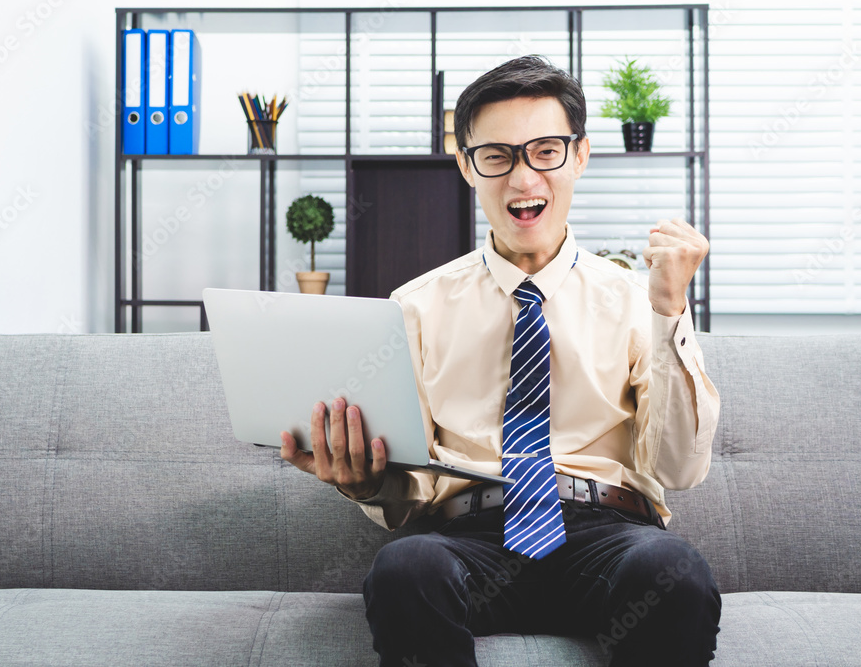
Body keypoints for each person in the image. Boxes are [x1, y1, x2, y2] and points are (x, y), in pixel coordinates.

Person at [280, 55, 722, 666]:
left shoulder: (641, 301)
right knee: (406, 566)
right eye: (497, 156)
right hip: (469, 538)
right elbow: (408, 490)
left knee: (674, 568)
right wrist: (367, 483)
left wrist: (670, 307)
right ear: (466, 165)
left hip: (608, 535)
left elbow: (677, 469)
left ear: (582, 153)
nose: (523, 179)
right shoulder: (414, 307)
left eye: (546, 150)